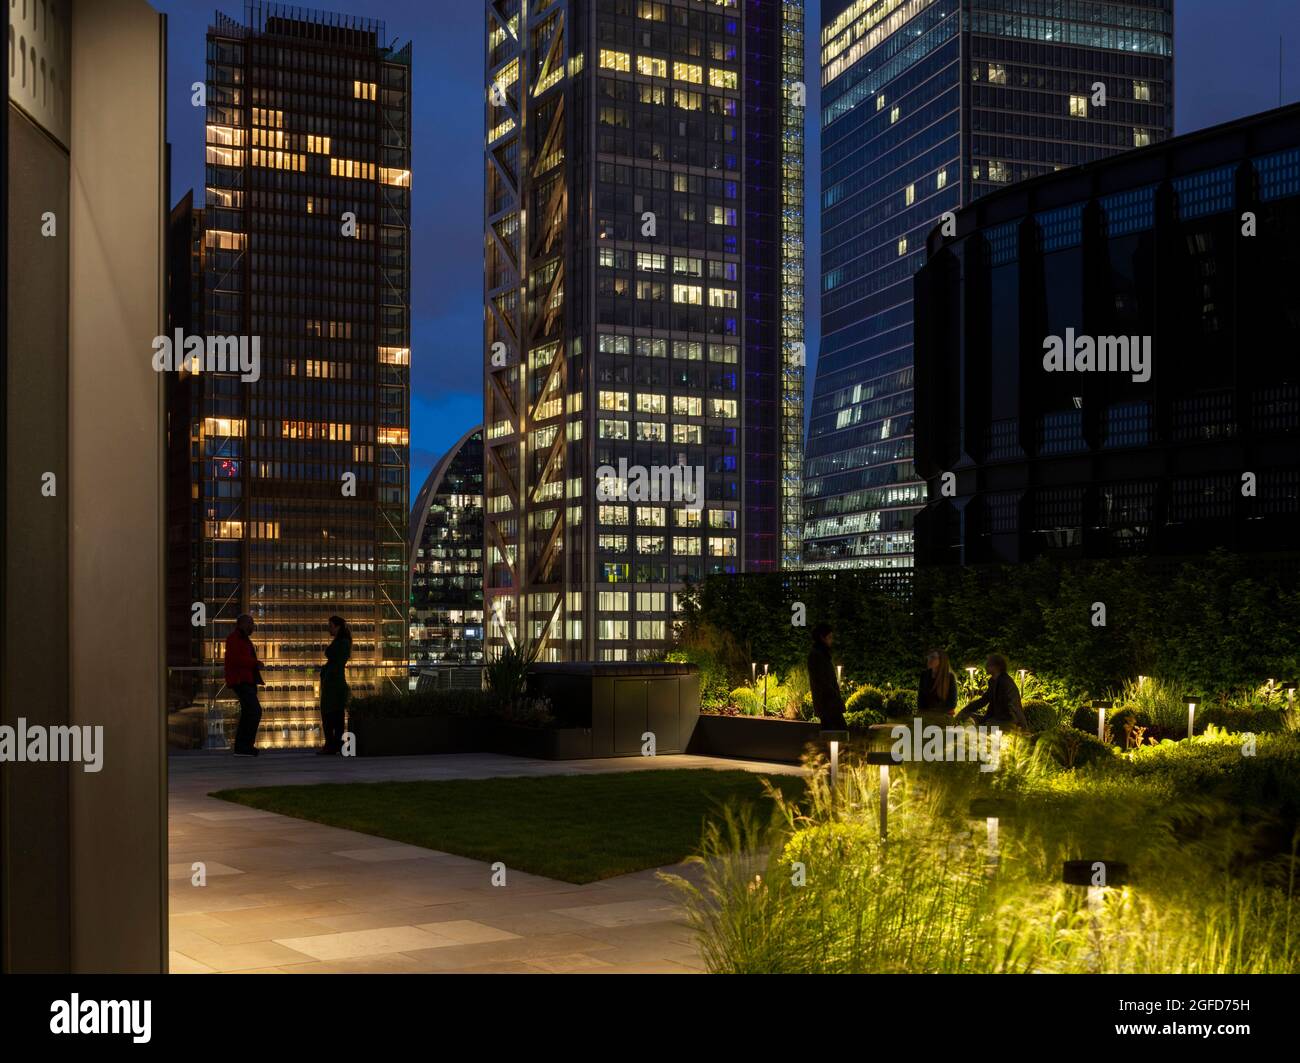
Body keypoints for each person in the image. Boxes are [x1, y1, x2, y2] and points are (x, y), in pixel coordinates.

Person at [225, 613, 264, 756]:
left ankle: (243, 747)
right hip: (241, 680)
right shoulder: (235, 639)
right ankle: (244, 747)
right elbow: (238, 659)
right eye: (250, 623)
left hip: (245, 680)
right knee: (254, 711)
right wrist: (255, 663)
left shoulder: (242, 639)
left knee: (249, 713)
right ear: (241, 624)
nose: (252, 626)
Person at [958, 653, 1027, 728]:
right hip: (995, 719)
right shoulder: (993, 682)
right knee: (968, 716)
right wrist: (964, 711)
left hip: (1007, 720)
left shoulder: (1005, 682)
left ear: (996, 667)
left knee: (984, 725)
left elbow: (1013, 706)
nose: (986, 667)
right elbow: (983, 701)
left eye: (988, 664)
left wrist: (1023, 727)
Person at [318, 615, 352, 755]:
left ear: (338, 627)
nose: (329, 629)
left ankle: (332, 744)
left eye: (331, 626)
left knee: (330, 714)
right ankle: (334, 744)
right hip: (334, 683)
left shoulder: (342, 643)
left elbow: (331, 654)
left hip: (334, 684)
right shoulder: (342, 642)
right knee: (335, 715)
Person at [807, 622, 847, 731]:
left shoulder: (821, 653)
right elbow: (822, 681)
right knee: (840, 733)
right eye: (829, 637)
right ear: (822, 638)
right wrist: (834, 695)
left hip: (828, 703)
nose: (831, 640)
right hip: (828, 704)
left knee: (831, 734)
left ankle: (825, 748)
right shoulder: (818, 655)